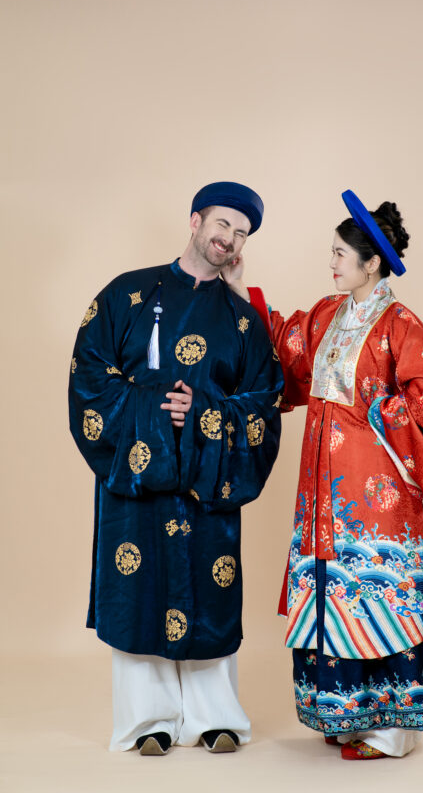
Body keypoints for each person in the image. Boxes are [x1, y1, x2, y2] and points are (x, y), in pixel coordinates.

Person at [222, 189, 423, 760]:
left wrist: (380, 411)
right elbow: (284, 344)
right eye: (333, 251)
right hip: (323, 492)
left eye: (341, 253)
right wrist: (241, 290)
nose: (332, 262)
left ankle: (391, 730)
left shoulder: (401, 325)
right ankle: (347, 714)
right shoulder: (328, 314)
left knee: (377, 595)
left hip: (375, 496)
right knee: (334, 593)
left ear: (373, 263)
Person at [69, 181, 284, 756]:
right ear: (195, 221)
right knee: (139, 590)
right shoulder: (126, 294)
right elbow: (88, 375)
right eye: (222, 224)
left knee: (210, 587)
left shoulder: (244, 319)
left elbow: (263, 400)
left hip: (207, 479)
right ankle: (149, 721)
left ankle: (215, 717)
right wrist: (154, 416)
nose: (229, 238)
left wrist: (206, 415)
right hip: (136, 478)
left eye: (241, 233)